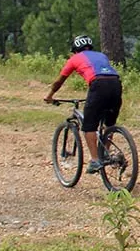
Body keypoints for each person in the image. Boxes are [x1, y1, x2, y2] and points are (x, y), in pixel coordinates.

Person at [44, 35, 122, 174]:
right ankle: (105, 153)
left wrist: (50, 96)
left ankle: (95, 160)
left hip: (98, 85)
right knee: (109, 124)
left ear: (75, 50)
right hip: (116, 84)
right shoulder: (101, 55)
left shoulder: (74, 59)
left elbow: (59, 81)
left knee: (89, 126)